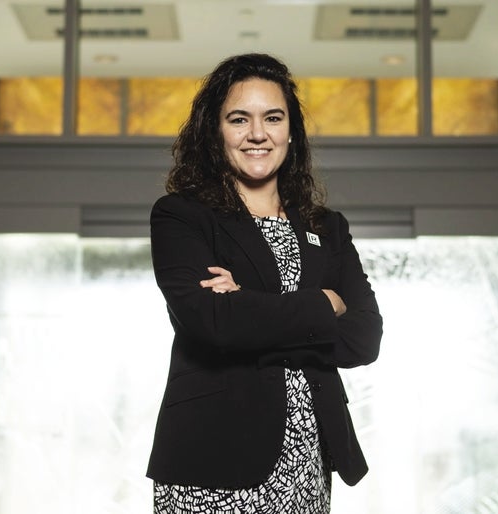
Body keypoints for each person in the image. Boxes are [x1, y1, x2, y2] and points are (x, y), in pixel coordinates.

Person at [147, 53, 383, 513]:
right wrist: (323, 304)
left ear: (290, 131)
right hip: (212, 464)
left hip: (307, 468)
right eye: (239, 119)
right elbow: (212, 323)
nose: (258, 134)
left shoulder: (327, 227)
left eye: (272, 118)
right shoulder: (182, 217)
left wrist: (249, 310)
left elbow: (364, 338)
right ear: (215, 131)